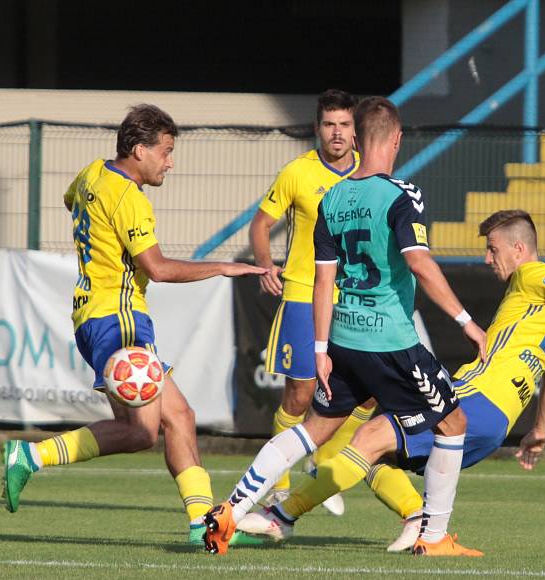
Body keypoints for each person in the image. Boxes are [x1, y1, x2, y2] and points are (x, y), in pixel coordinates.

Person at [239, 208, 545, 552]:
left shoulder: (534, 275)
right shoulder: (543, 319)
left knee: (367, 438)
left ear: (519, 249)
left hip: (473, 396)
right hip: (497, 424)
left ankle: (282, 516)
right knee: (375, 453)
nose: (488, 259)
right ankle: (418, 521)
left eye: (493, 250)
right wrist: (539, 431)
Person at [203, 96, 488, 557]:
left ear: (356, 137)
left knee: (311, 430)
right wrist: (466, 322)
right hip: (391, 342)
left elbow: (323, 279)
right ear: (395, 140)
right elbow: (419, 263)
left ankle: (233, 508)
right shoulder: (402, 195)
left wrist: (320, 348)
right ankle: (433, 538)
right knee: (453, 423)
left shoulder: (332, 198)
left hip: (343, 339)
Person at [1, 104, 266, 544]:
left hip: (93, 315)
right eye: (165, 151)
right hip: (119, 319)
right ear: (139, 149)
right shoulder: (131, 199)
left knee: (178, 416)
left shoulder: (92, 173)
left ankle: (205, 527)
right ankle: (31, 455)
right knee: (140, 432)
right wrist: (222, 267)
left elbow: (72, 201)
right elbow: (158, 268)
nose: (170, 162)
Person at [249, 89, 375, 514]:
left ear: (355, 129)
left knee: (371, 396)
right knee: (301, 395)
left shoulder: (370, 173)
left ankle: (323, 464)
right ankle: (279, 483)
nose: (336, 133)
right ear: (317, 128)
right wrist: (266, 263)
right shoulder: (297, 173)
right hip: (304, 294)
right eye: (328, 124)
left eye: (343, 124)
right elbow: (261, 223)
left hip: (355, 299)